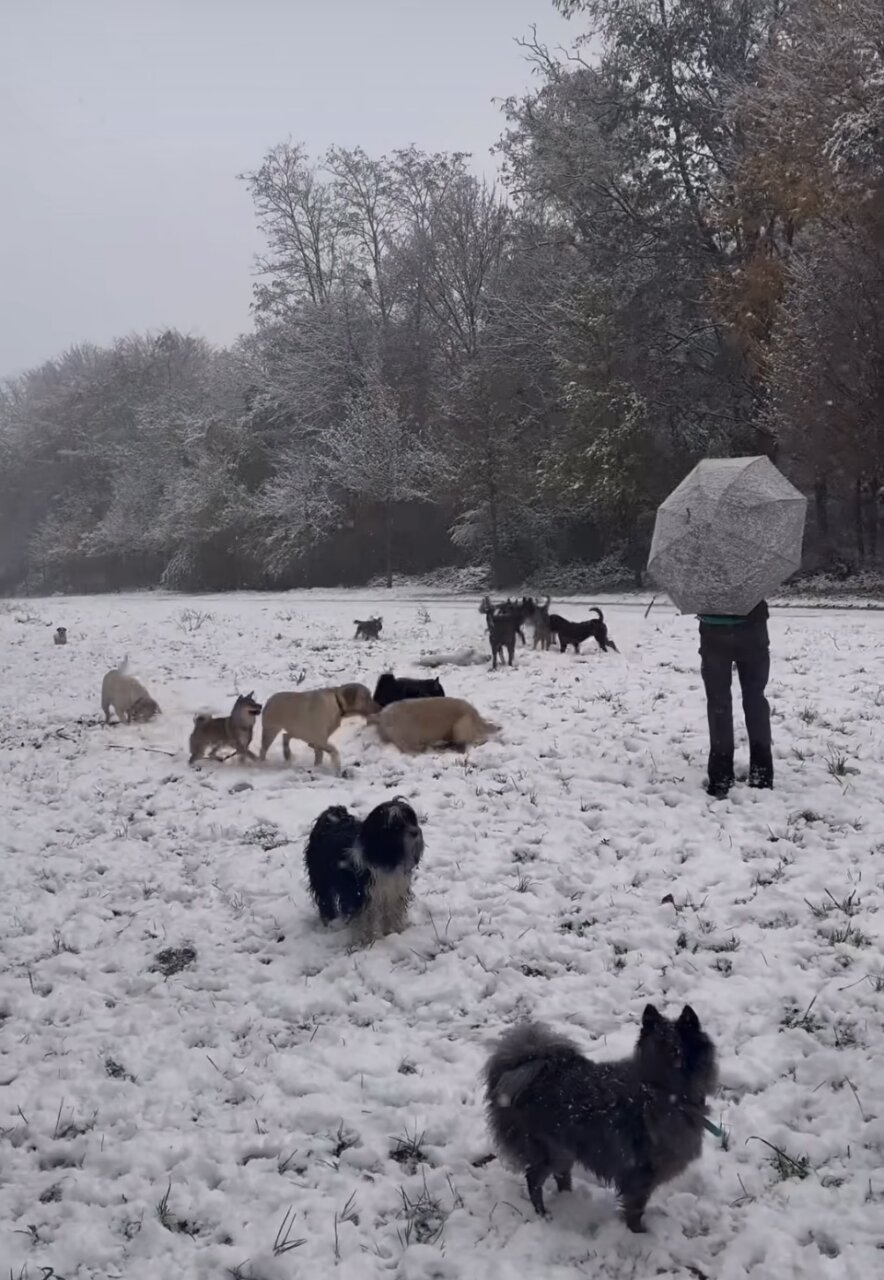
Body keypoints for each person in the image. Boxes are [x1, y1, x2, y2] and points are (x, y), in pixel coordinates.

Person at [698, 599, 772, 799]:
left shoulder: (701, 568)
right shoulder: (756, 567)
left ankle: (720, 775)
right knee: (755, 699)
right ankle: (762, 773)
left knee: (718, 703)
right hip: (753, 628)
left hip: (714, 630)